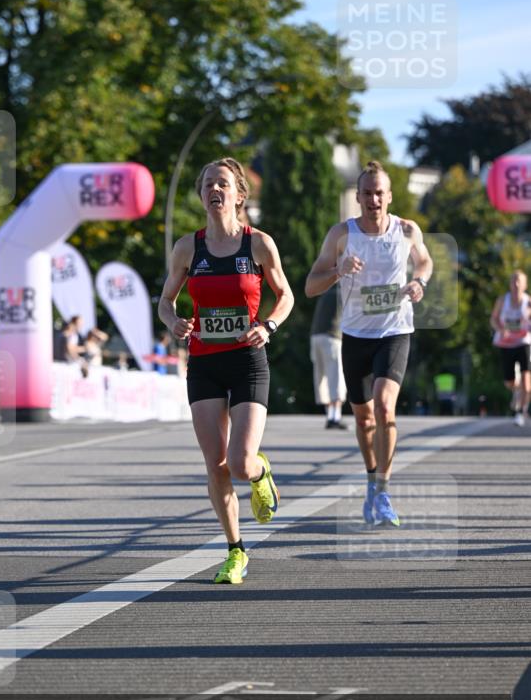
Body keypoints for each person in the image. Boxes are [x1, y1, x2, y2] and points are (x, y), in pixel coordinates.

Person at [159, 156, 294, 585]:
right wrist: (174, 321)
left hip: (247, 361)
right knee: (215, 463)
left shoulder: (258, 245)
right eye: (207, 185)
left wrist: (268, 325)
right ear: (201, 196)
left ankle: (261, 473)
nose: (214, 190)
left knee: (239, 462)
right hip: (203, 362)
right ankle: (236, 550)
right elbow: (166, 301)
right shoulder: (187, 248)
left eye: (223, 184)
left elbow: (285, 295)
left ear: (239, 195)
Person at [305, 160, 433, 527]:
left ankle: (384, 490)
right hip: (356, 335)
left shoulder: (407, 230)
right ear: (358, 197)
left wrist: (419, 283)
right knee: (363, 418)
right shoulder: (341, 235)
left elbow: (424, 263)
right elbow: (311, 286)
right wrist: (338, 271)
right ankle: (371, 478)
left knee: (385, 408)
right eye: (367, 193)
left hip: (395, 331)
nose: (374, 199)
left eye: (380, 192)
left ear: (389, 196)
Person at [490, 269, 530, 427]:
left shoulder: (528, 302)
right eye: (513, 280)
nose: (516, 284)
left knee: (527, 383)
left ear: (525, 285)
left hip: (524, 342)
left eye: (519, 281)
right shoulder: (502, 300)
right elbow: (493, 319)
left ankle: (520, 411)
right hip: (505, 343)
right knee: (509, 382)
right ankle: (516, 390)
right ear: (510, 284)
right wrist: (500, 330)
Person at [309, 282, 348, 429]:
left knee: (322, 377)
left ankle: (329, 415)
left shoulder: (326, 292)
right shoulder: (344, 292)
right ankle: (335, 417)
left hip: (316, 336)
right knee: (335, 376)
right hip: (332, 337)